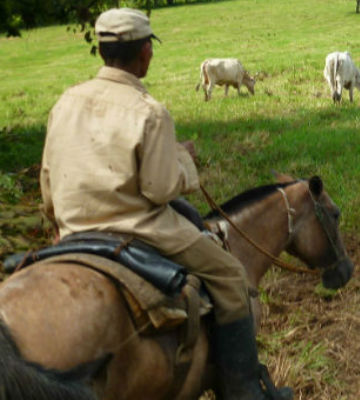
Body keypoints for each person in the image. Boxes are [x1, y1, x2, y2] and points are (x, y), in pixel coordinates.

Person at [39, 8, 292, 400]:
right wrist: (183, 160)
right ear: (145, 53)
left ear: (103, 52)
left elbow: (48, 180)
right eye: (149, 49)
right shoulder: (150, 112)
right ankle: (244, 389)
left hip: (73, 230)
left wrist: (60, 223)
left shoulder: (65, 103)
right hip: (141, 229)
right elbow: (160, 189)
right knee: (230, 275)